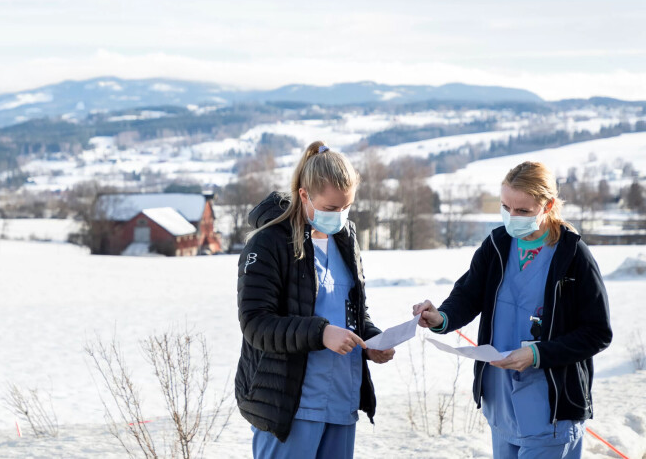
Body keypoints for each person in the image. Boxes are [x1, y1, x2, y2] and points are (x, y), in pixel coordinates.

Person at [413, 161, 612, 459]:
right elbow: (468, 295)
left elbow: (597, 333)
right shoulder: (497, 245)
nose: (512, 217)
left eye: (523, 211)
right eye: (506, 207)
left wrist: (537, 354)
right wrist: (441, 317)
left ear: (548, 205)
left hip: (551, 410)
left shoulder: (573, 256)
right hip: (501, 404)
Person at [236, 140, 394, 459]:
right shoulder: (269, 243)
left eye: (346, 207)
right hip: (290, 405)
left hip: (341, 400)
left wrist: (373, 340)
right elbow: (255, 325)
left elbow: (353, 313)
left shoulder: (346, 239)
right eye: (331, 208)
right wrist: (321, 333)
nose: (340, 216)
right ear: (304, 195)